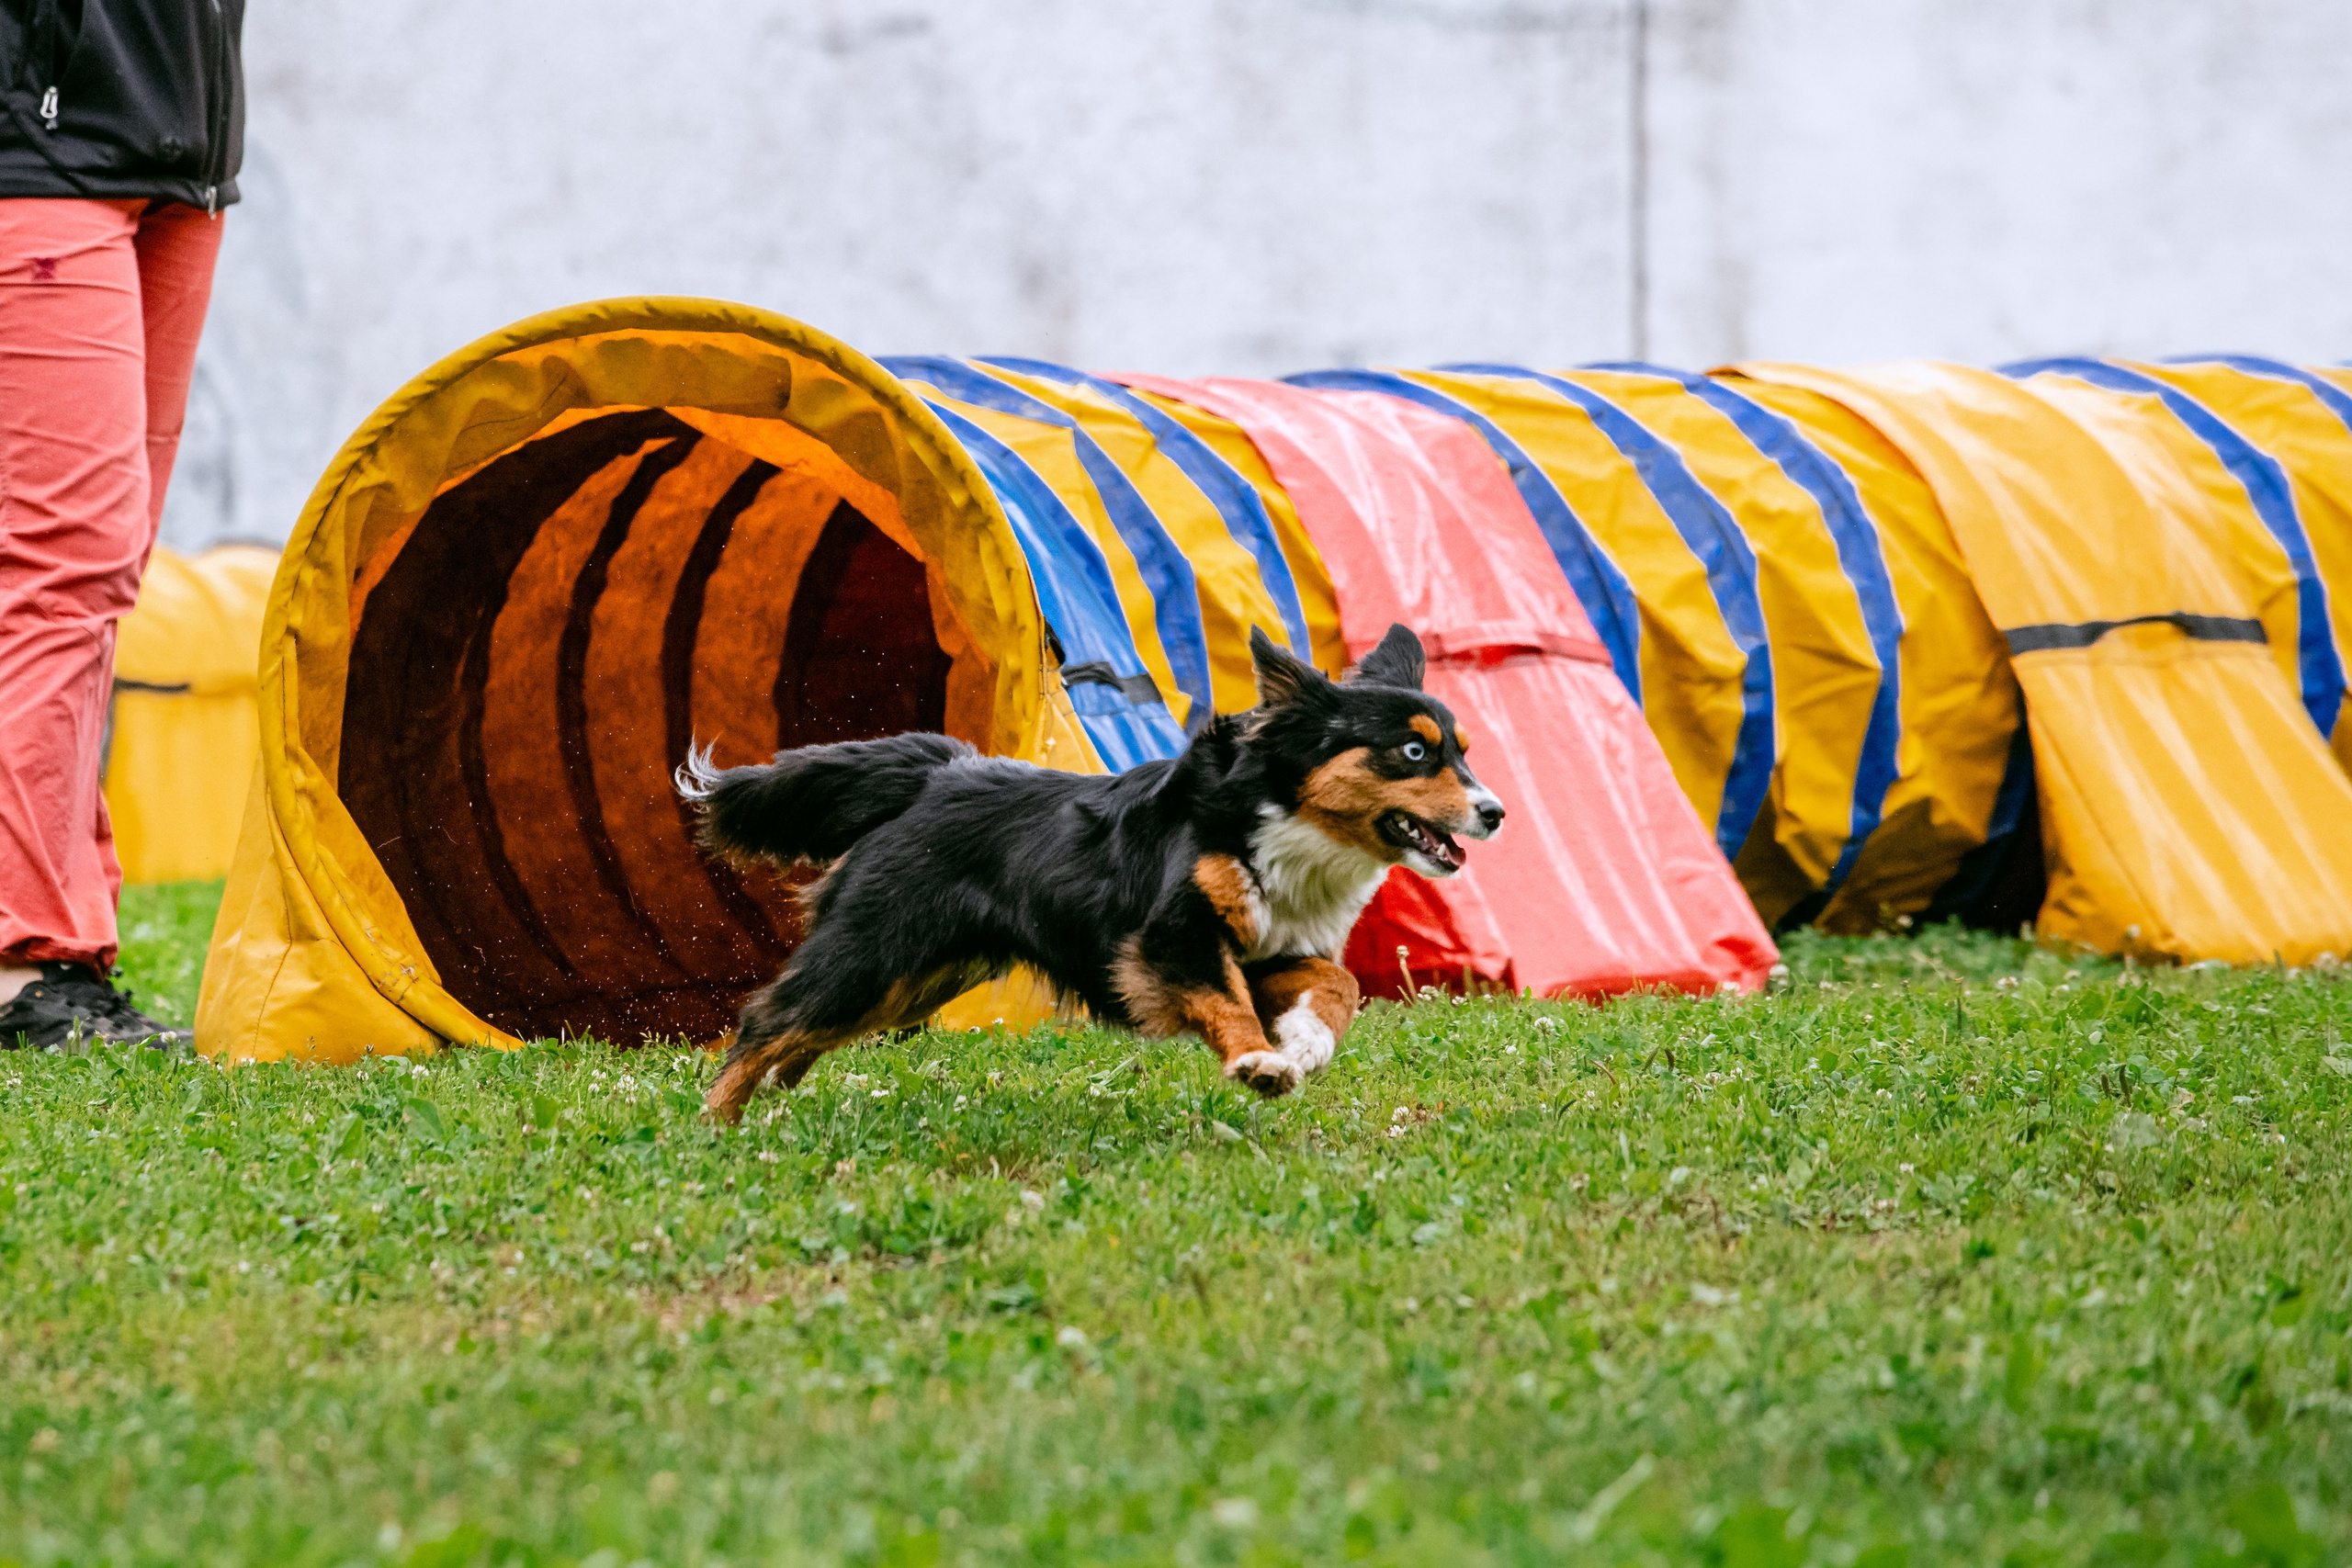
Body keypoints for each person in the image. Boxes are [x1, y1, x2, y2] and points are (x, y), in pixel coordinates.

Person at [0, 0, 245, 1048]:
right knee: (62, 565)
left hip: (180, 142)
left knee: (103, 574)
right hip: (38, 148)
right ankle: (23, 963)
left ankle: (61, 944)